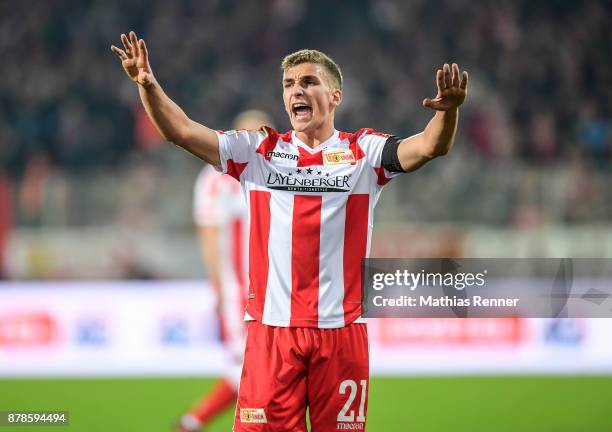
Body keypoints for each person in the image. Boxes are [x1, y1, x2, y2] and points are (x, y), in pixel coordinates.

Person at [111, 31, 468, 432]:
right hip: (273, 335)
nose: (297, 90)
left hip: (341, 335)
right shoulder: (257, 152)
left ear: (335, 97)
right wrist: (147, 84)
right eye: (289, 84)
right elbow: (180, 130)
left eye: (309, 81)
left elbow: (427, 147)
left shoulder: (364, 152)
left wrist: (447, 112)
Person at [178, 110, 274, 432]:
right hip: (240, 292)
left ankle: (194, 422)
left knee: (264, 366)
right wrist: (219, 288)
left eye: (261, 132)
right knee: (250, 365)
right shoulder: (215, 179)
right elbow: (208, 234)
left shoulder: (278, 170)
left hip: (276, 290)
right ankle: (194, 422)